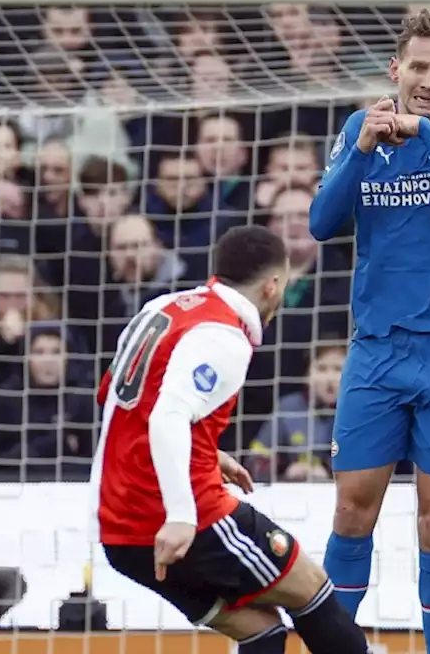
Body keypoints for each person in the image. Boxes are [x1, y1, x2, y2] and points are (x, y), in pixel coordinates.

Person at [308, 9, 430, 653]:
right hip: (378, 349)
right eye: (417, 67)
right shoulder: (357, 129)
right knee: (352, 511)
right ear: (396, 68)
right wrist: (362, 148)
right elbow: (320, 222)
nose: (428, 80)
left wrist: (427, 135)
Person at [92, 225, 369, 654]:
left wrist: (207, 449)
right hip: (180, 519)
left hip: (118, 529)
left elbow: (119, 398)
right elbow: (167, 415)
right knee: (311, 590)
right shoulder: (223, 336)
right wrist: (181, 515)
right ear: (273, 285)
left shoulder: (163, 307)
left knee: (260, 628)